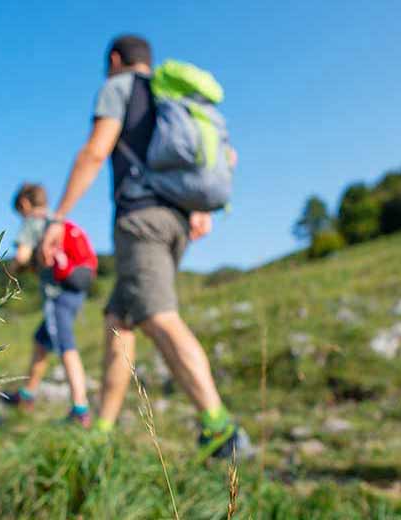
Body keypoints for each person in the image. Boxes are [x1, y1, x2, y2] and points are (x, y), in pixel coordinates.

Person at [40, 35, 249, 459]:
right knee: (120, 321)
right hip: (176, 222)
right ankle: (102, 429)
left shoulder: (120, 88)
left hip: (141, 222)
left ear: (116, 60)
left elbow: (97, 151)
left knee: (158, 316)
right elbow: (227, 158)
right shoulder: (173, 99)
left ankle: (221, 430)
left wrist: (58, 217)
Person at [2, 183, 92, 428]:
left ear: (25, 204)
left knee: (65, 346)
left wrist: (9, 272)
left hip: (57, 294)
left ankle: (80, 410)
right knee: (41, 341)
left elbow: (21, 256)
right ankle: (27, 395)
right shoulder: (57, 219)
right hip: (75, 290)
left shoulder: (33, 222)